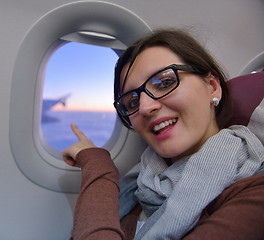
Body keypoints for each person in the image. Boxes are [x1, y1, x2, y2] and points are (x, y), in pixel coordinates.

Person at [62, 29, 264, 240]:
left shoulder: (254, 194)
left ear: (212, 87)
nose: (144, 107)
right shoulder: (139, 184)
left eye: (164, 82)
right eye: (132, 102)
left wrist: (97, 164)